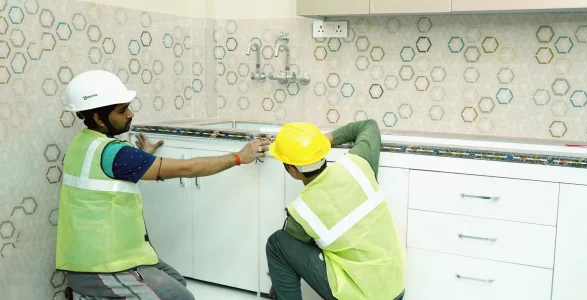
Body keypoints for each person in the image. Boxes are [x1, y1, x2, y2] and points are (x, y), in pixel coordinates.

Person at [56, 69, 270, 299]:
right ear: (98, 118)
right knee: (181, 298)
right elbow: (187, 169)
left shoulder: (84, 144)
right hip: (100, 266)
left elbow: (108, 176)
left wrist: (142, 159)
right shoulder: (115, 154)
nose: (130, 114)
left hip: (102, 256)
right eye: (122, 110)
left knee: (176, 282)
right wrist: (239, 157)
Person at [266, 120, 405, 300]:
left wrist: (277, 286)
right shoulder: (358, 164)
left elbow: (290, 254)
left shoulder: (301, 213)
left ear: (292, 170)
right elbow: (369, 126)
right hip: (395, 289)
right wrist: (320, 143)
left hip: (361, 297)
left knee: (277, 243)